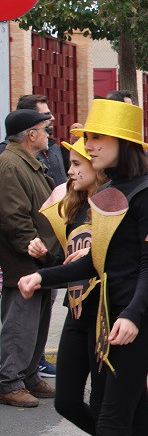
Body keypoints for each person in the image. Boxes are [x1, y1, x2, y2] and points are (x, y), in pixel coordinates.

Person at [18, 99, 148, 436]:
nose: (88, 146)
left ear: (123, 143)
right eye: (88, 138)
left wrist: (132, 315)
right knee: (136, 417)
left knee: (111, 421)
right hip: (114, 315)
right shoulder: (109, 192)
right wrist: (43, 277)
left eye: (97, 138)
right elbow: (96, 265)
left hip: (138, 317)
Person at [32, 137, 114, 436]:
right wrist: (46, 261)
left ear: (97, 167)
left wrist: (43, 274)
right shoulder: (75, 207)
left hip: (104, 316)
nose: (70, 170)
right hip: (76, 311)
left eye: (78, 164)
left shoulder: (111, 205)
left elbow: (109, 266)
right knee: (65, 401)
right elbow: (70, 267)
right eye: (70, 163)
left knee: (100, 402)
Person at [0, 109, 60, 408]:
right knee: (20, 323)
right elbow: (13, 215)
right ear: (31, 135)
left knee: (38, 322)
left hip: (41, 258)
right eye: (44, 129)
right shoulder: (10, 164)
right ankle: (8, 381)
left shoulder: (28, 162)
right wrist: (31, 248)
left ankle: (30, 375)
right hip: (26, 260)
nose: (48, 134)